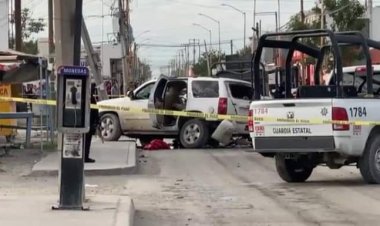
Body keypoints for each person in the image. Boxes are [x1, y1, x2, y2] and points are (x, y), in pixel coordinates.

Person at [84, 83, 99, 163]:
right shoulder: (90, 98)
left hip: (89, 123)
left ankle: (85, 156)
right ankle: (85, 156)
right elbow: (95, 111)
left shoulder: (89, 98)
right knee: (87, 141)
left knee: (87, 141)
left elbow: (95, 110)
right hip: (89, 123)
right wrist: (96, 121)